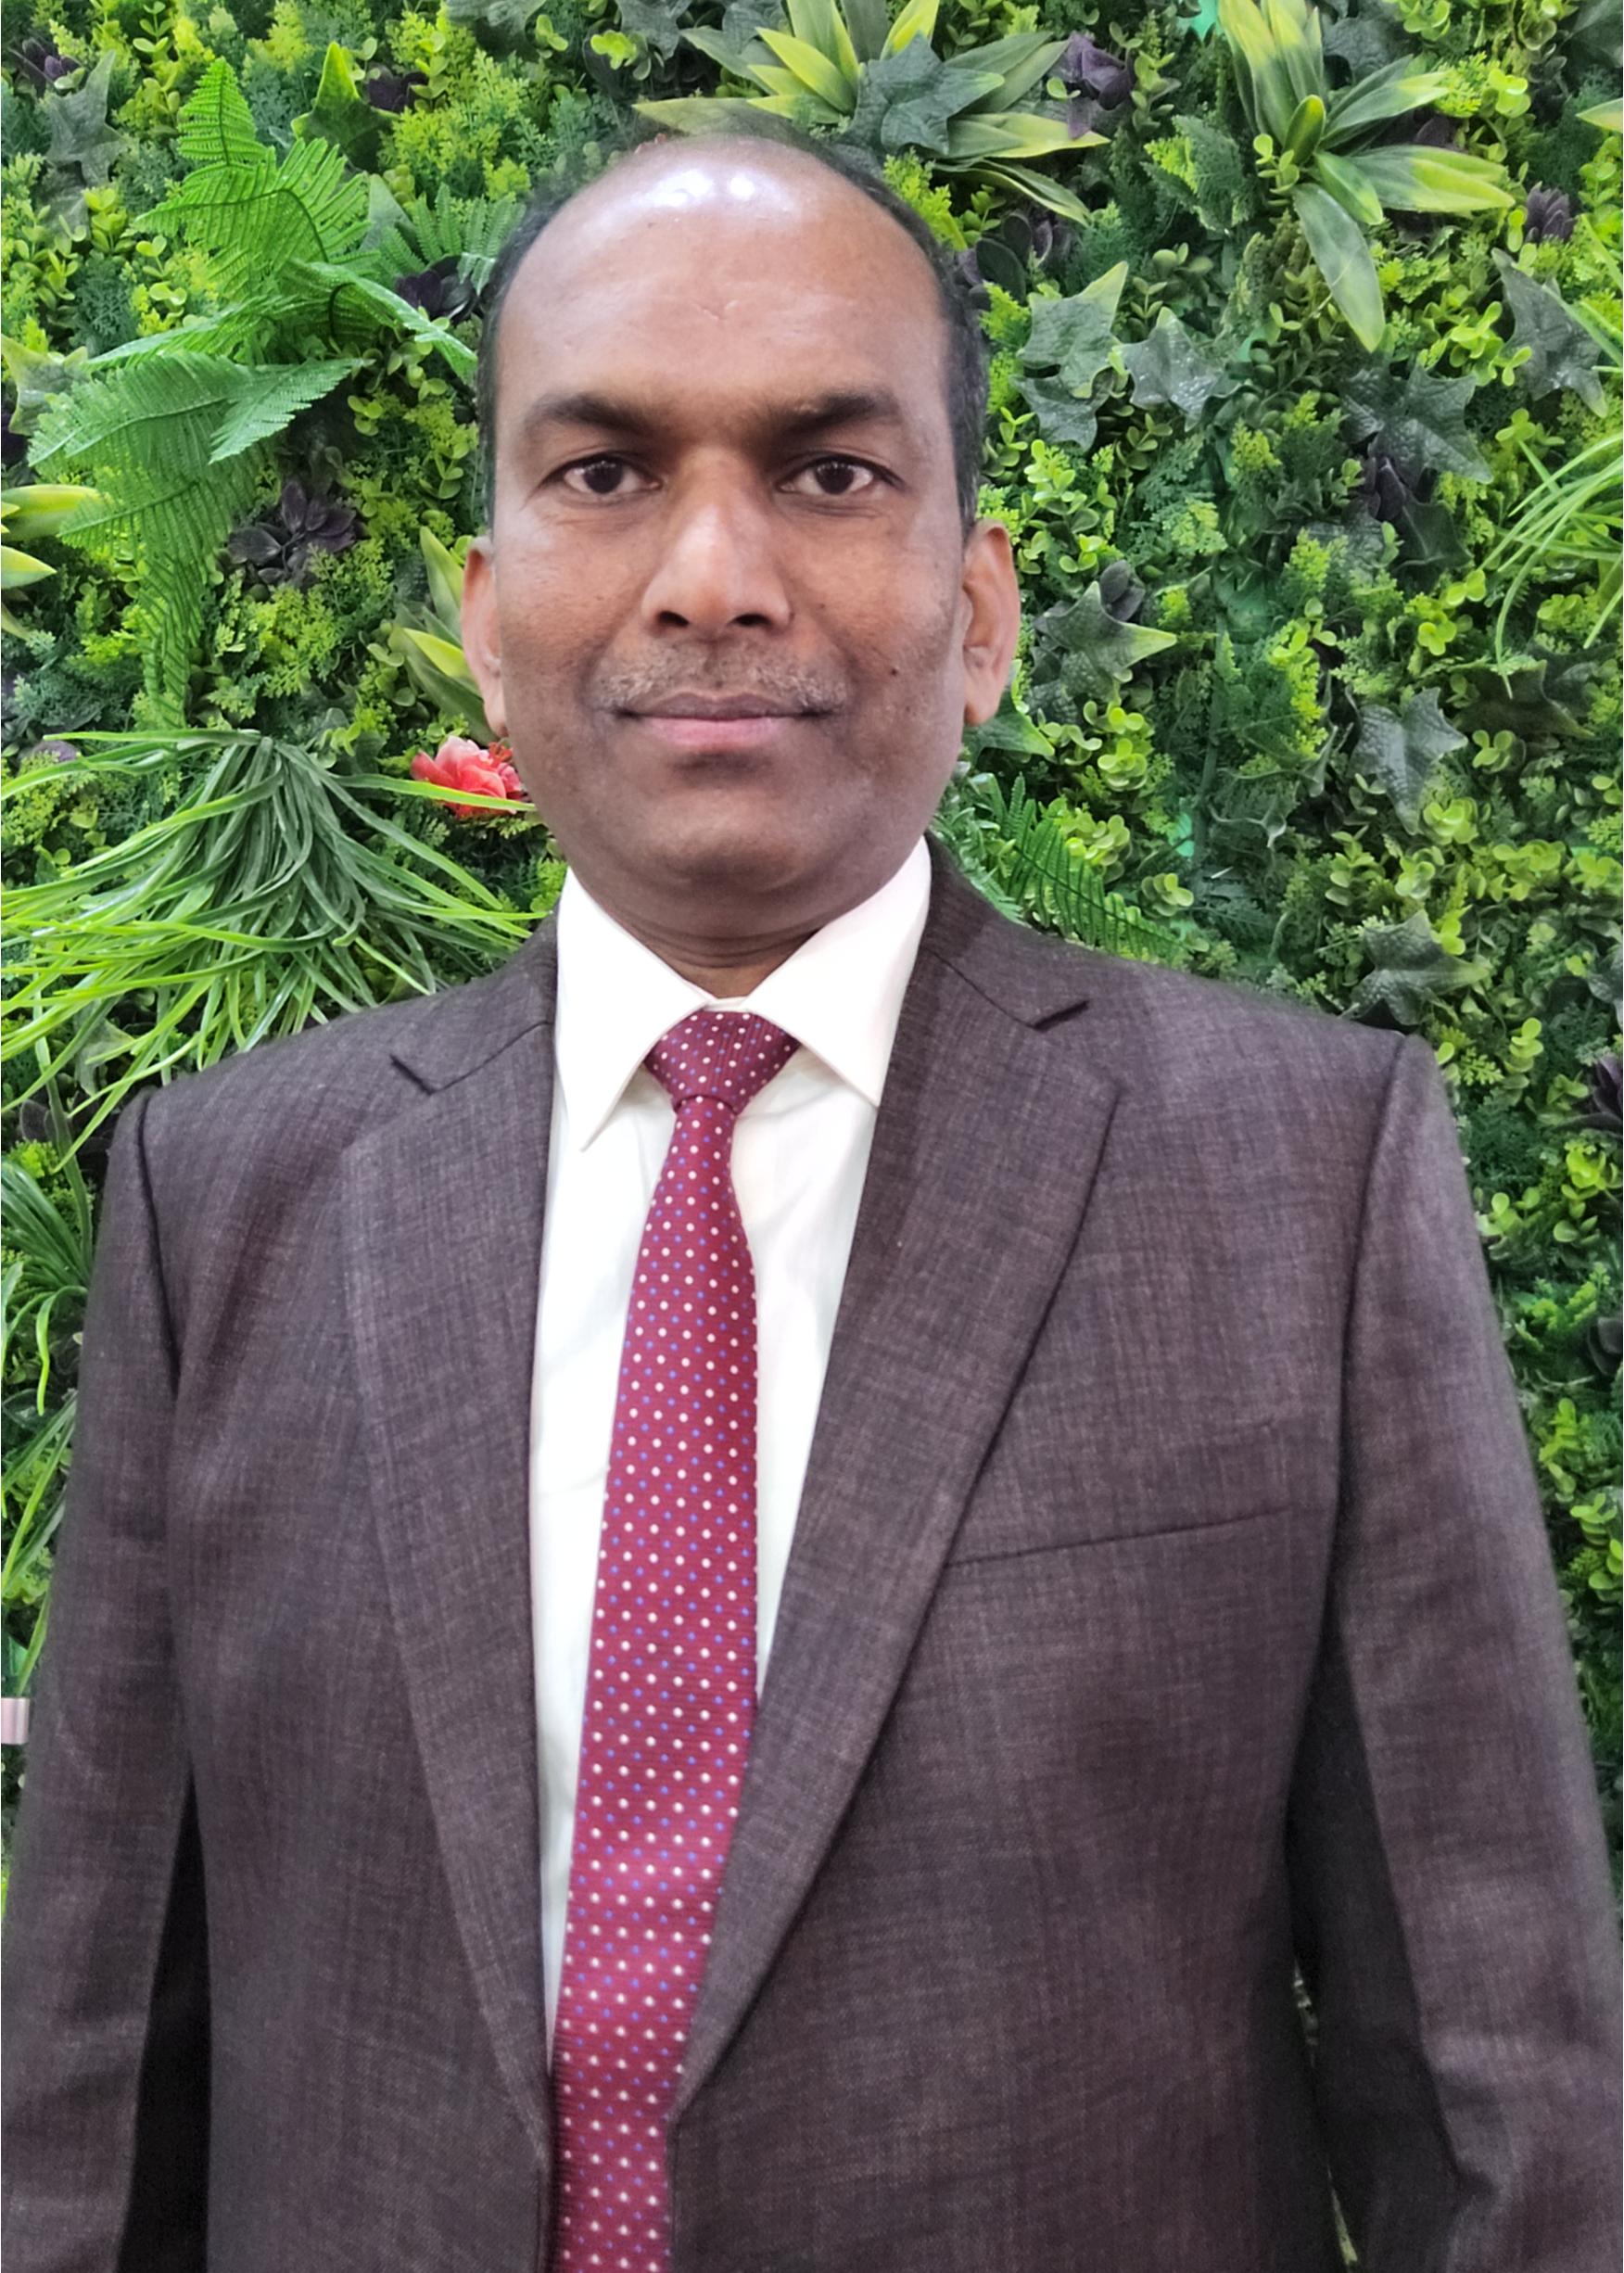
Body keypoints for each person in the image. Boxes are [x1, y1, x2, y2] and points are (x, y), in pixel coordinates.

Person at [2, 128, 1618, 2273]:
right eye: (603, 472)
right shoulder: (234, 1197)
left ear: (980, 611)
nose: (712, 576)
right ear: (484, 621)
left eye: (830, 471)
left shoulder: (1296, 1181)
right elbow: (94, 2089)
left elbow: (1500, 2111)